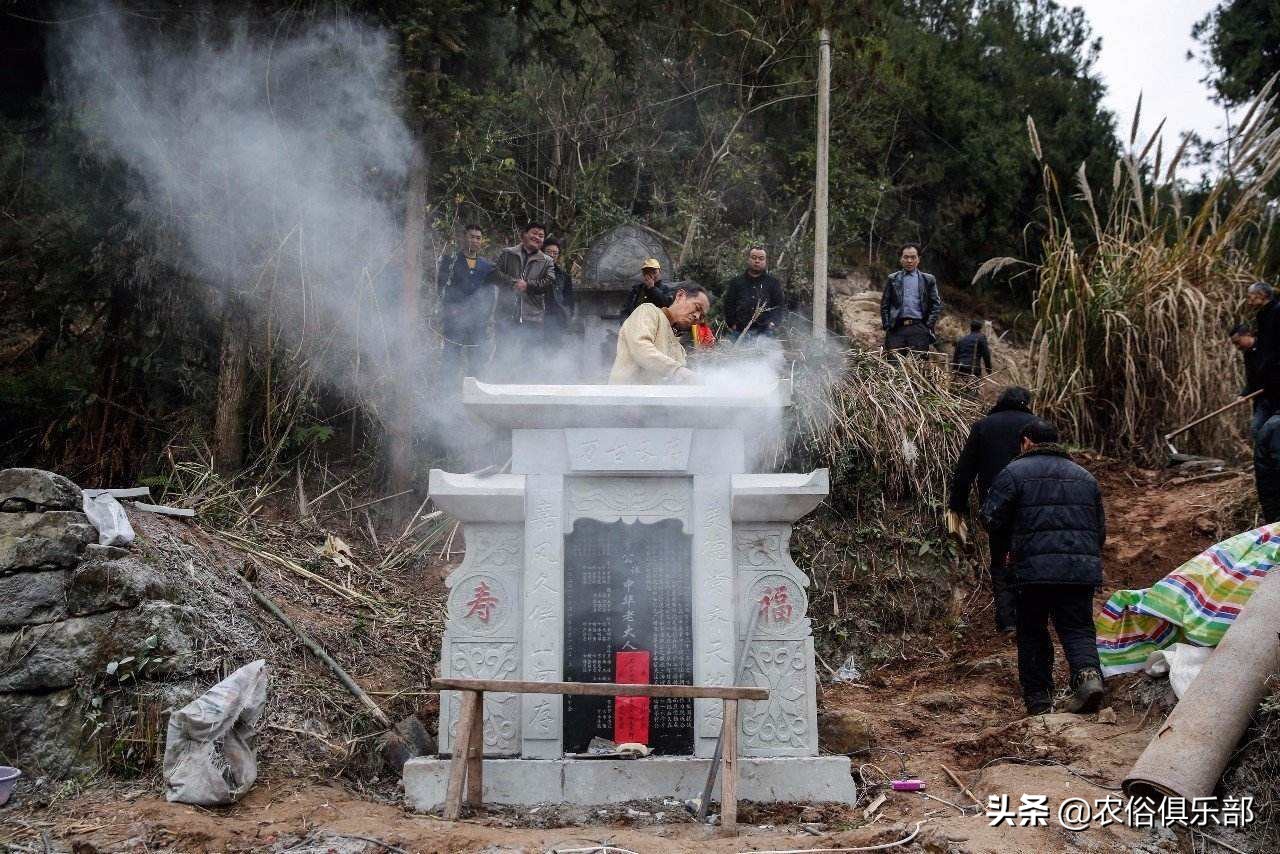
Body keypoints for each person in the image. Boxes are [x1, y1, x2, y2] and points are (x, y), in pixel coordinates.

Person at [981, 419, 1106, 716]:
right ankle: (1088, 679)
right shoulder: (1085, 477)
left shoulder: (1013, 472)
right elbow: (1099, 531)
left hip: (1031, 571)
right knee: (1077, 628)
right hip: (1079, 569)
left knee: (1032, 631)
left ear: (1026, 441)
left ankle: (1039, 701)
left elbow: (990, 518)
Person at [947, 386, 1039, 634]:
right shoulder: (1037, 426)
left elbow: (965, 471)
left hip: (997, 506)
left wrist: (956, 508)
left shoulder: (983, 426)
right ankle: (1031, 615)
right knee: (1031, 556)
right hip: (1032, 505)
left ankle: (1007, 620)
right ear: (1026, 402)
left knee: (1000, 559)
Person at [492, 222, 557, 379]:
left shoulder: (547, 261)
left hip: (532, 317)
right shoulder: (508, 253)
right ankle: (500, 389)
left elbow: (549, 282)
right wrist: (512, 282)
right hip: (506, 315)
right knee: (503, 354)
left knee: (530, 358)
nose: (537, 237)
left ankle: (527, 392)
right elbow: (494, 273)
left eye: (541, 236)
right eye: (534, 233)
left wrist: (528, 285)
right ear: (524, 234)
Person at [609, 285, 710, 384]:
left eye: (701, 316)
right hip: (624, 396)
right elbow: (640, 348)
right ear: (680, 296)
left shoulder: (680, 350)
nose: (697, 316)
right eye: (697, 307)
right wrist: (677, 371)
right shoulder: (648, 311)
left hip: (653, 400)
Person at [436, 223, 496, 387]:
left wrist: (485, 315)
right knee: (450, 360)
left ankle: (474, 396)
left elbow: (490, 293)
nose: (475, 241)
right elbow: (442, 288)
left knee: (476, 362)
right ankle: (446, 396)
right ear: (464, 238)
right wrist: (451, 309)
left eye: (478, 238)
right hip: (454, 320)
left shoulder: (487, 266)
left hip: (477, 323)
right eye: (472, 237)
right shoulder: (450, 261)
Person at [880, 243, 943, 355]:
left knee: (918, 366)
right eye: (906, 257)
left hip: (919, 328)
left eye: (913, 257)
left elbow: (936, 304)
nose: (909, 261)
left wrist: (927, 325)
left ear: (919, 259)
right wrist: (887, 325)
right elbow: (885, 304)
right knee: (893, 365)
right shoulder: (893, 279)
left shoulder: (928, 280)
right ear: (900, 259)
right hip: (896, 328)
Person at [723, 245, 785, 338]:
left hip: (765, 333)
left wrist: (773, 323)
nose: (757, 261)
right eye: (754, 257)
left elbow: (779, 305)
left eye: (761, 258)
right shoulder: (736, 282)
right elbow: (728, 304)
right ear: (748, 259)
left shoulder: (773, 283)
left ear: (765, 261)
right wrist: (732, 324)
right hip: (739, 332)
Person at [1230, 324, 1266, 438]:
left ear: (1247, 335)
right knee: (1257, 429)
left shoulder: (1267, 345)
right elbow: (1252, 380)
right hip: (1262, 400)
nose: (1237, 347)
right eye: (1234, 344)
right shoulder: (1248, 355)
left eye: (1238, 342)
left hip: (1275, 396)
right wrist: (1243, 395)